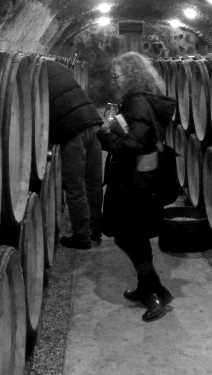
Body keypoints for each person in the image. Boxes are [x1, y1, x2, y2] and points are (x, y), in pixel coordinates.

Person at [97, 52, 176, 322]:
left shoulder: (137, 102)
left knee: (128, 235)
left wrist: (106, 137)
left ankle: (155, 293)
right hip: (141, 179)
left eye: (118, 75)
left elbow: (135, 144)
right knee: (133, 233)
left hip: (135, 181)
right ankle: (147, 287)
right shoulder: (143, 100)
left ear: (131, 76)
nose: (115, 80)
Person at [47, 60, 103, 250]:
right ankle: (95, 228)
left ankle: (82, 237)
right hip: (91, 123)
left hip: (72, 132)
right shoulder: (60, 67)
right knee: (93, 184)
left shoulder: (33, 74)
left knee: (75, 187)